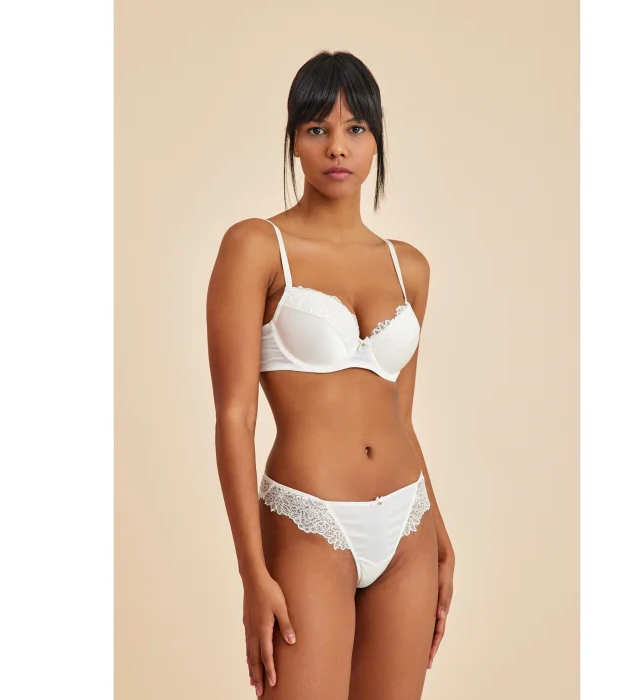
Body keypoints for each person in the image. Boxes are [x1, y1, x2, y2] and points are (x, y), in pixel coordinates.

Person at [206, 50, 455, 699]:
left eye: (355, 128)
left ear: (376, 140)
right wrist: (252, 574)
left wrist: (440, 535)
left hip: (409, 524)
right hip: (308, 521)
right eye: (317, 128)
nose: (337, 147)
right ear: (293, 140)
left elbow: (400, 415)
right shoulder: (256, 246)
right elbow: (234, 417)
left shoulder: (409, 267)